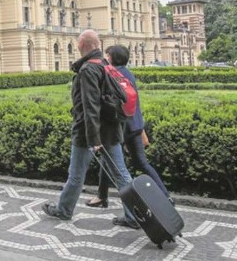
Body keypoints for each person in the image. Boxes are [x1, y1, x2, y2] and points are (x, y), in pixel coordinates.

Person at [42, 29, 140, 229]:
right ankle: (134, 215)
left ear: (82, 45)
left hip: (89, 132)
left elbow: (90, 107)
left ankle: (64, 210)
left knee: (76, 174)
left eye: (78, 44)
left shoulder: (88, 69)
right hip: (111, 130)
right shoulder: (105, 64)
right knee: (121, 174)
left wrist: (93, 139)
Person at [86, 45, 170, 208]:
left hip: (121, 127)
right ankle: (165, 196)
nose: (105, 57)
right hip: (135, 125)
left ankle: (123, 207)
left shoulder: (111, 75)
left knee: (111, 162)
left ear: (111, 57)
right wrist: (141, 127)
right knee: (139, 163)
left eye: (107, 55)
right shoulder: (128, 73)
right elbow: (134, 103)